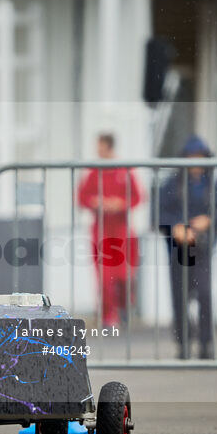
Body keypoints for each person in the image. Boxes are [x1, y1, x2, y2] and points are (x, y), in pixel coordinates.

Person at [158, 135, 217, 359]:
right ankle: (183, 344)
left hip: (202, 249)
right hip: (178, 250)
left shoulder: (212, 185)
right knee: (179, 297)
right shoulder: (172, 183)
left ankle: (205, 343)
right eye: (192, 157)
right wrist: (176, 227)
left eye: (200, 157)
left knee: (204, 294)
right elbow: (161, 213)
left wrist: (208, 220)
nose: (196, 162)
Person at [77, 133, 143, 327]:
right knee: (104, 275)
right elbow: (82, 197)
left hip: (121, 228)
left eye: (100, 146)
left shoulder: (124, 171)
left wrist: (120, 204)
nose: (97, 150)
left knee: (123, 273)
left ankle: (124, 306)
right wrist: (95, 202)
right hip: (100, 228)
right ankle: (108, 315)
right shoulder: (93, 172)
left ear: (108, 147)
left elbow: (137, 197)